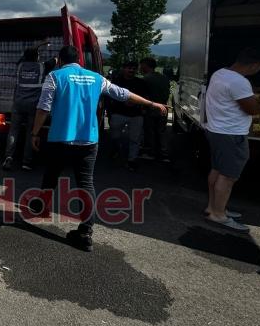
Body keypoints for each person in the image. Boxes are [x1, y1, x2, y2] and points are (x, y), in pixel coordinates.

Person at [30, 46, 167, 251]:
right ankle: (85, 232)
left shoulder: (54, 76)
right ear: (79, 60)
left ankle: (41, 206)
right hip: (89, 140)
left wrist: (34, 133)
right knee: (85, 183)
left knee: (51, 174)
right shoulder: (96, 78)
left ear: (59, 60)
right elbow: (123, 94)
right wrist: (150, 103)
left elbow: (44, 107)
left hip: (61, 138)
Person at [203, 47, 260, 232]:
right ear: (255, 64)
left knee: (217, 170)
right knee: (228, 176)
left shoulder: (220, 73)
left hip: (216, 130)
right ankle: (218, 215)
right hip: (231, 134)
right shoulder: (239, 82)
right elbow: (253, 109)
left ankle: (213, 207)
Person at [3, 47, 43, 171]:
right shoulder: (42, 66)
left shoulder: (20, 66)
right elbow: (57, 59)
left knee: (13, 131)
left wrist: (34, 49)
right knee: (30, 132)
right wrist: (42, 45)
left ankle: (8, 157)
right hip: (33, 105)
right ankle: (26, 162)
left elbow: (22, 59)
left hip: (18, 103)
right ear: (37, 56)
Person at [107, 61, 149, 171]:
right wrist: (111, 110)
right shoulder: (116, 82)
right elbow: (109, 97)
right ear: (123, 69)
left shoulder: (141, 83)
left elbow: (146, 97)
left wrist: (141, 106)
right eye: (129, 68)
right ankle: (116, 149)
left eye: (134, 68)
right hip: (118, 114)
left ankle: (132, 160)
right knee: (115, 136)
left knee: (135, 139)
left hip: (136, 115)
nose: (131, 70)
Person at [139, 57, 171, 162]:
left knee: (150, 132)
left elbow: (145, 96)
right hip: (164, 108)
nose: (140, 67)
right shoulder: (164, 78)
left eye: (141, 65)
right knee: (161, 131)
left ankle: (151, 153)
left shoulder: (146, 79)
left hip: (151, 109)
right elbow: (167, 93)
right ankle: (164, 154)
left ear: (146, 66)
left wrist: (143, 108)